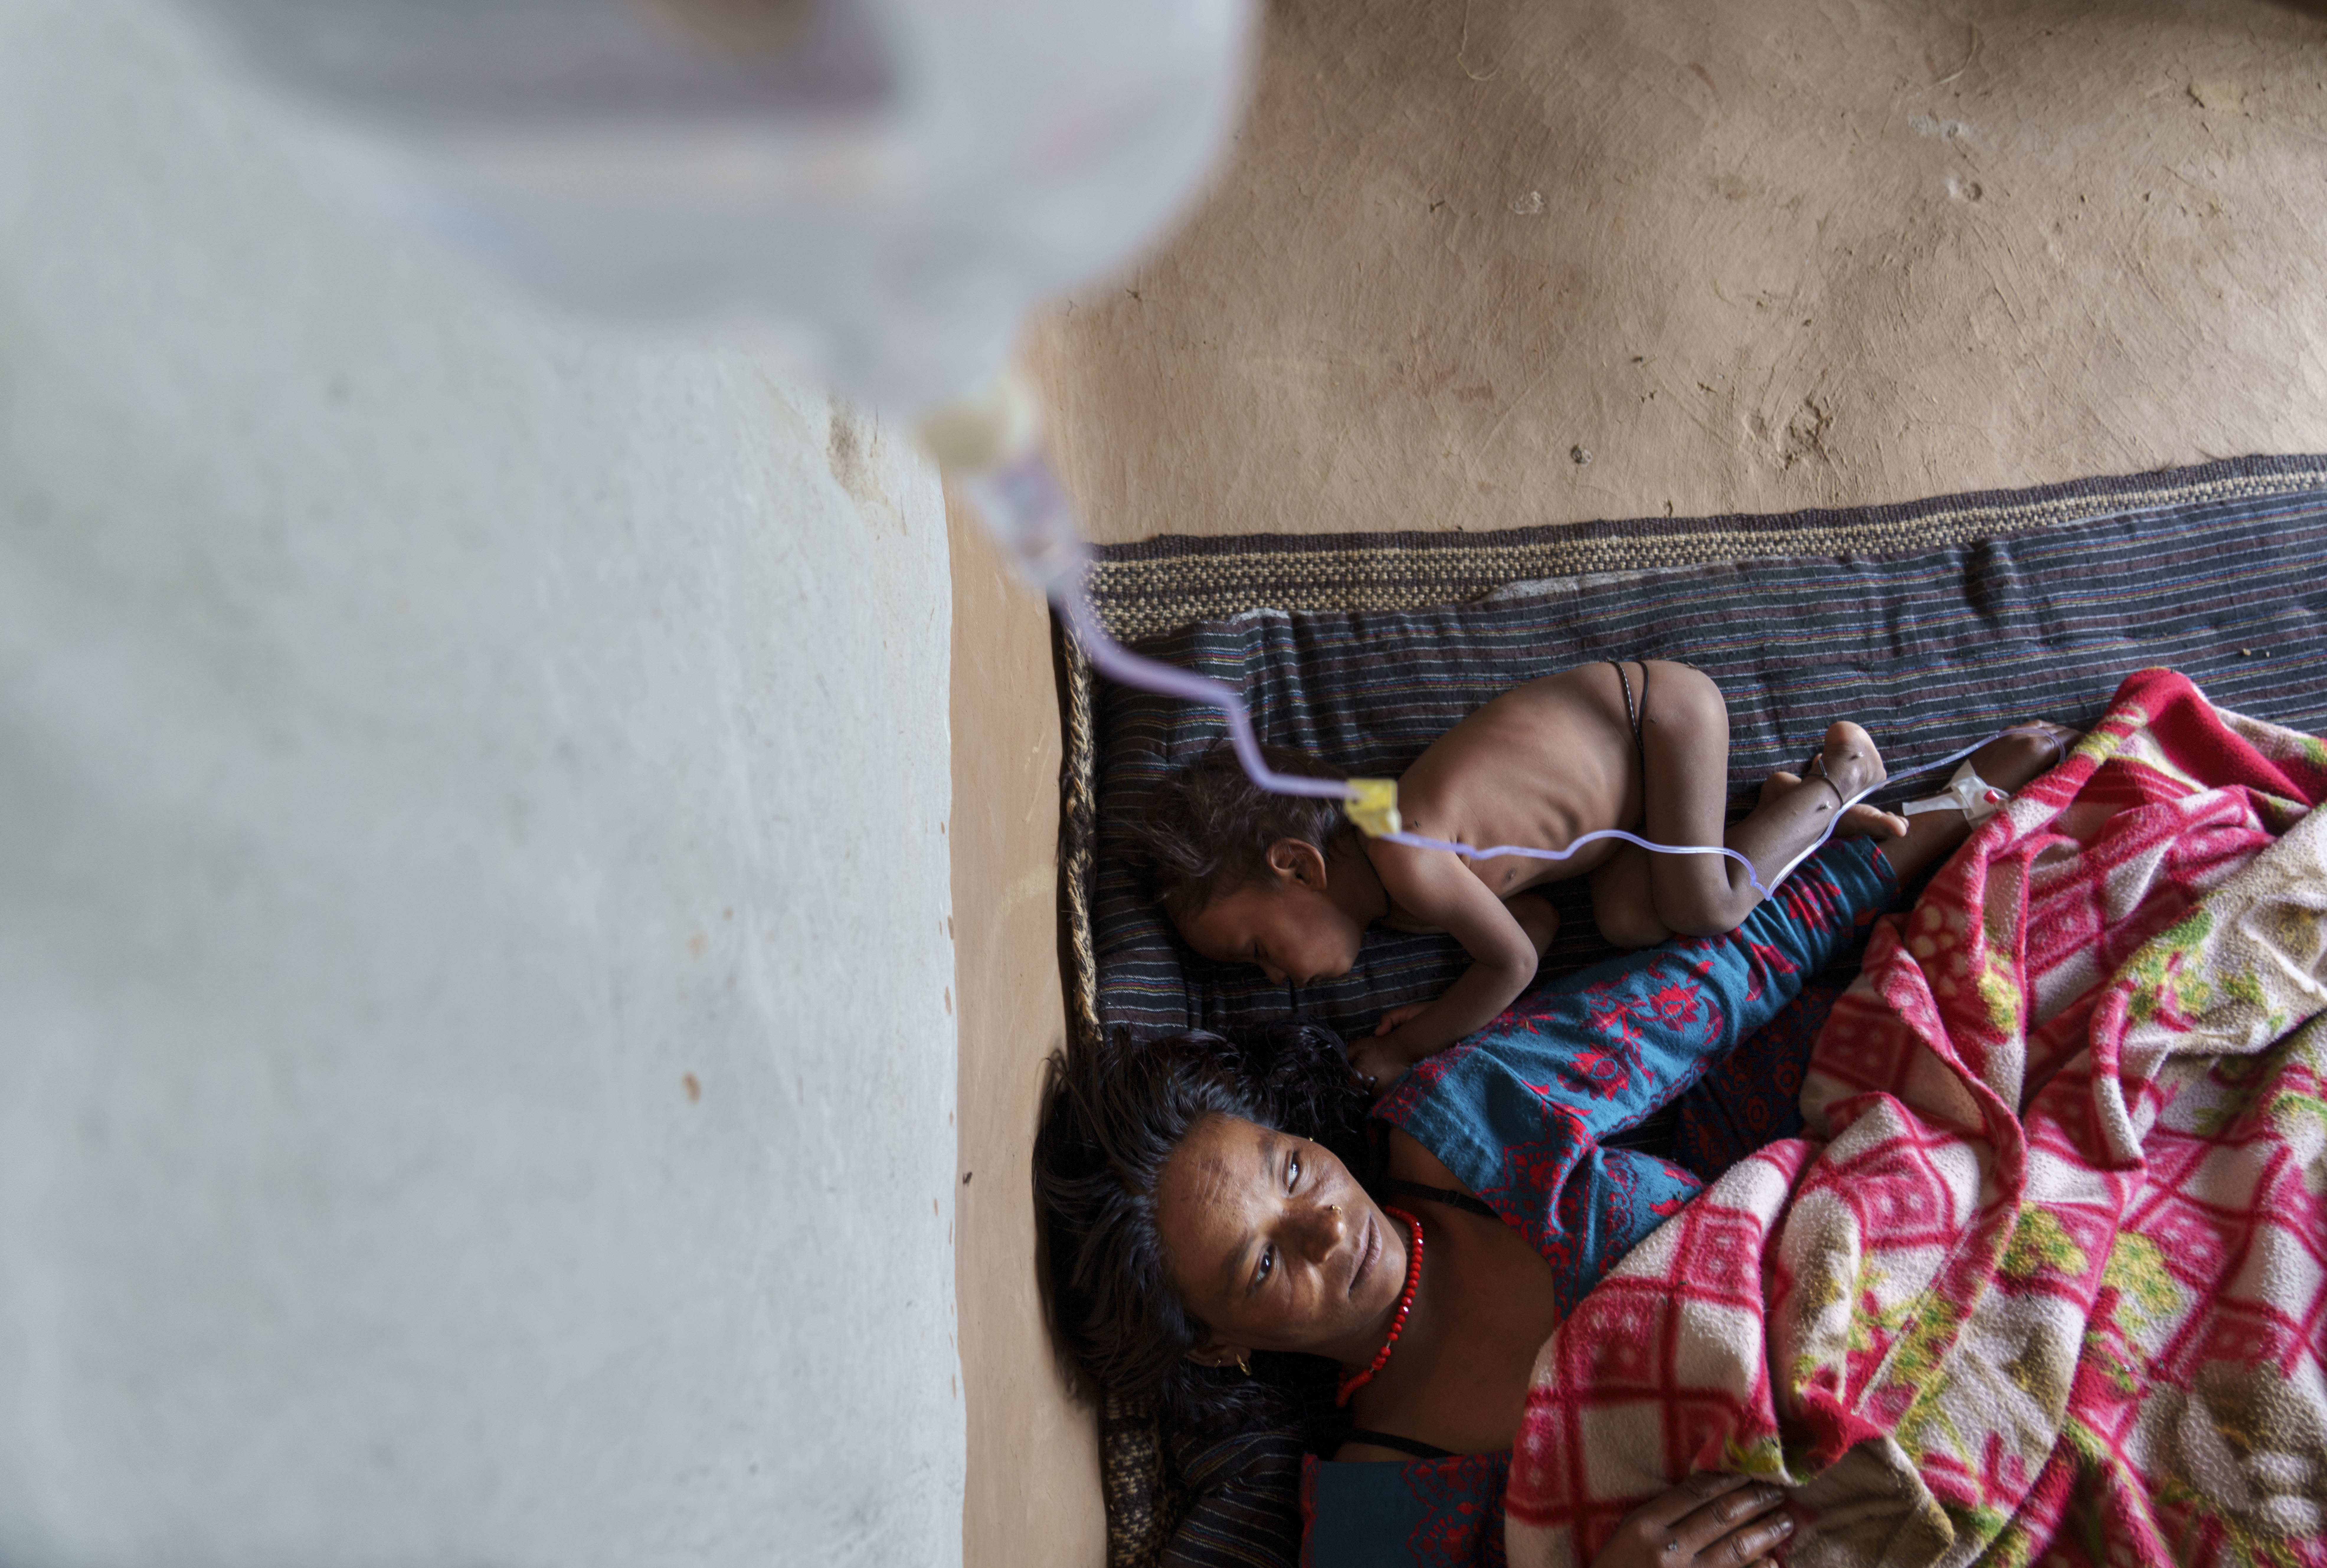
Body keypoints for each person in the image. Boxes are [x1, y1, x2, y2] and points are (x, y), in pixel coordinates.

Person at [1041, 723, 2074, 1566]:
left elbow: (1722, 976)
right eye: (1263, 1265)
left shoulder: (1477, 1114)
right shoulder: (1373, 1516)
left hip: (1955, 1294)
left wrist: (1964, 802)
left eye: (1294, 1169)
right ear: (1219, 1343)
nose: (1324, 1227)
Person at [1127, 661, 1914, 1090]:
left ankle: (1843, 775)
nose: (1273, 980)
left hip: (1656, 722)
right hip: (1639, 810)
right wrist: (1455, 1000)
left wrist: (1411, 1047)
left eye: (1258, 950)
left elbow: (1513, 963)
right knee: (1630, 921)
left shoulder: (1404, 848)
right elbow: (1533, 924)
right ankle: (1781, 818)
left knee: (1706, 907)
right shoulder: (1393, 892)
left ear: (1299, 865)